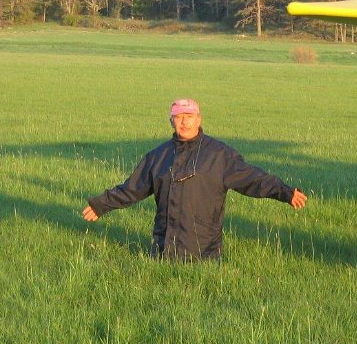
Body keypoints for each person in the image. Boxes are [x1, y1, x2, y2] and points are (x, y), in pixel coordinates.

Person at [82, 98, 307, 261]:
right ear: (171, 121)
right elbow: (132, 189)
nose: (184, 122)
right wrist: (101, 204)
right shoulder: (158, 156)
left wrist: (284, 192)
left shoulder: (219, 155)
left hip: (204, 253)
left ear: (198, 119)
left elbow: (253, 178)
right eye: (178, 117)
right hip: (163, 253)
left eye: (189, 117)